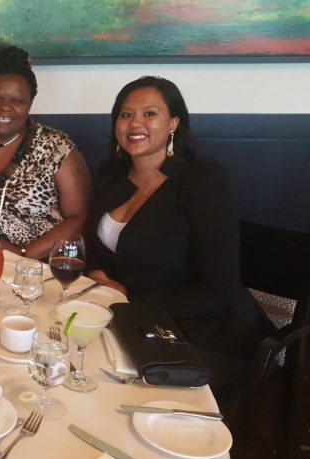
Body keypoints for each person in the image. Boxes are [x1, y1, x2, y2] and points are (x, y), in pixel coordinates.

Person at [86, 76, 263, 408]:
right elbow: (96, 248)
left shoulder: (202, 181)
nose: (135, 123)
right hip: (128, 319)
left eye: (149, 113)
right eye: (126, 115)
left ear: (173, 123)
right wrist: (97, 273)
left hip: (198, 331)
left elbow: (219, 288)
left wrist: (129, 299)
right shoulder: (111, 176)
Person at [0, 46, 91, 259]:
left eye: (17, 101)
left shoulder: (57, 148)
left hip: (39, 269)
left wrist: (22, 255)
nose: (5, 107)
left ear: (29, 104)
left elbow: (79, 218)